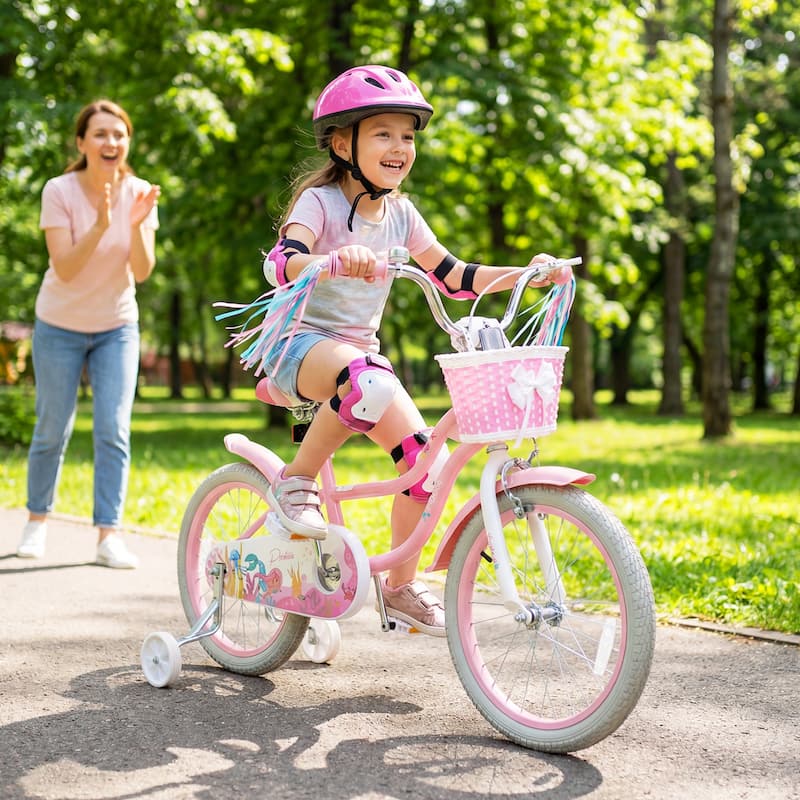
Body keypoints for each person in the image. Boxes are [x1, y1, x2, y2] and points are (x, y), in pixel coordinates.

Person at [258, 65, 571, 635]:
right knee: (365, 377)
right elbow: (280, 262)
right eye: (384, 134)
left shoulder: (401, 212)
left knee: (422, 465)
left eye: (408, 136)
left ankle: (398, 585)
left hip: (360, 355)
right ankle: (296, 480)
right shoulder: (320, 203)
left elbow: (455, 276)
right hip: (298, 346)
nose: (400, 147)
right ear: (342, 142)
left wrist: (526, 274)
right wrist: (330, 260)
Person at [16, 99, 161, 568]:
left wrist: (135, 226)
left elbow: (141, 272)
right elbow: (67, 267)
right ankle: (37, 522)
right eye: (100, 134)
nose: (110, 142)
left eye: (119, 134)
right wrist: (100, 223)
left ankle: (108, 536)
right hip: (59, 324)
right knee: (51, 427)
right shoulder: (58, 190)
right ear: (81, 143)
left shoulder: (140, 193)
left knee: (113, 430)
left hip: (117, 326)